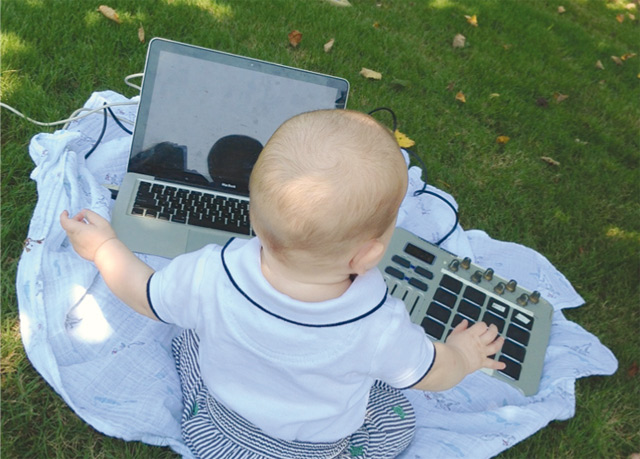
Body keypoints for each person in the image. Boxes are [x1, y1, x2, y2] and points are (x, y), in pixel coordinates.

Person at [60, 109, 505, 458]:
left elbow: (144, 293)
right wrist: (464, 356)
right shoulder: (380, 326)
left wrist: (103, 248)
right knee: (394, 415)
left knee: (189, 338)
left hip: (219, 434)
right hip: (317, 449)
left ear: (250, 217)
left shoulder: (213, 273)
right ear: (368, 254)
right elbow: (432, 373)